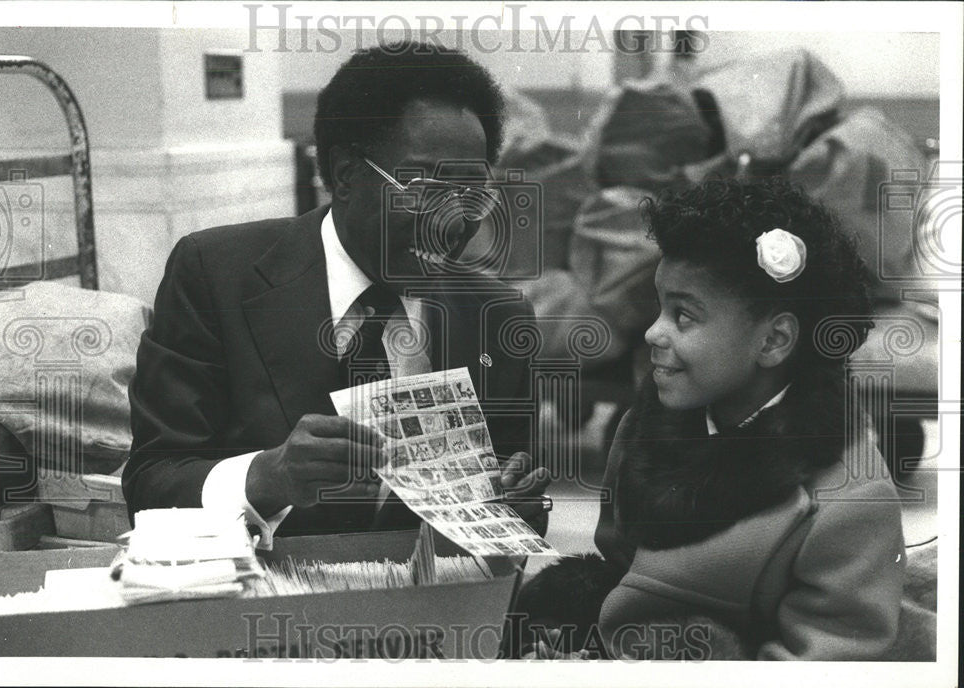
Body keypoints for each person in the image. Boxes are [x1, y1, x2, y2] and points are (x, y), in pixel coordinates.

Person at [122, 42, 550, 544]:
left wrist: (513, 499)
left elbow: (514, 508)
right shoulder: (216, 275)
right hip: (258, 603)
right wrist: (267, 476)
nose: (452, 220)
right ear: (346, 174)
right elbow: (150, 484)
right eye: (425, 189)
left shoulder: (496, 316)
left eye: (472, 191)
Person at [519, 178, 906, 660]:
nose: (653, 332)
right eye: (658, 307)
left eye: (683, 316)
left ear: (773, 341)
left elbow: (829, 657)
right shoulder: (645, 428)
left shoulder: (846, 499)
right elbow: (619, 562)